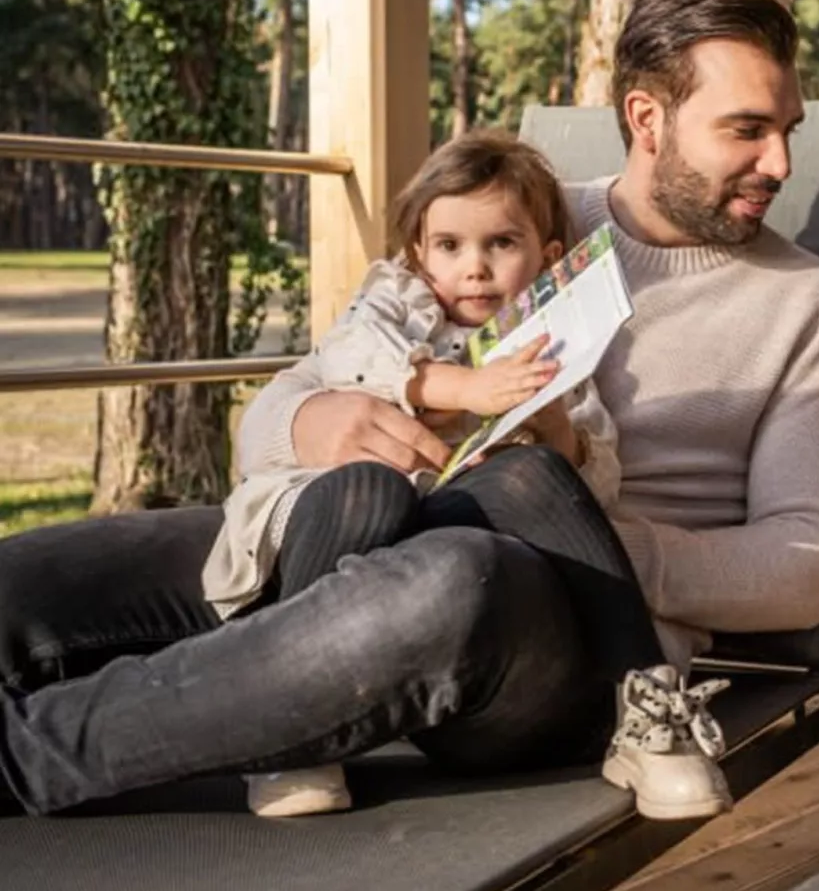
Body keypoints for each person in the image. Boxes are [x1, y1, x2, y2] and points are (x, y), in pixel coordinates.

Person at [0, 0, 819, 821]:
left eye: (787, 129)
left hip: (553, 632)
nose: (781, 162)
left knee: (450, 577)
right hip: (364, 522)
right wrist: (315, 418)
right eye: (748, 130)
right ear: (647, 118)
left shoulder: (806, 302)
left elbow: (801, 571)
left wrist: (573, 541)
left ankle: (32, 754)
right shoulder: (505, 219)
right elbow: (296, 395)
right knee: (30, 581)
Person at [210, 129, 622, 817]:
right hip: (346, 526)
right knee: (361, 493)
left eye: (502, 243)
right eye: (450, 246)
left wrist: (550, 426)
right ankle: (290, 729)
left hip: (456, 573)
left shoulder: (552, 349)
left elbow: (603, 490)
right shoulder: (398, 306)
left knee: (525, 484)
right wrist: (460, 388)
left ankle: (638, 693)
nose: (476, 269)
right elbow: (350, 355)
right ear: (419, 257)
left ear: (549, 259)